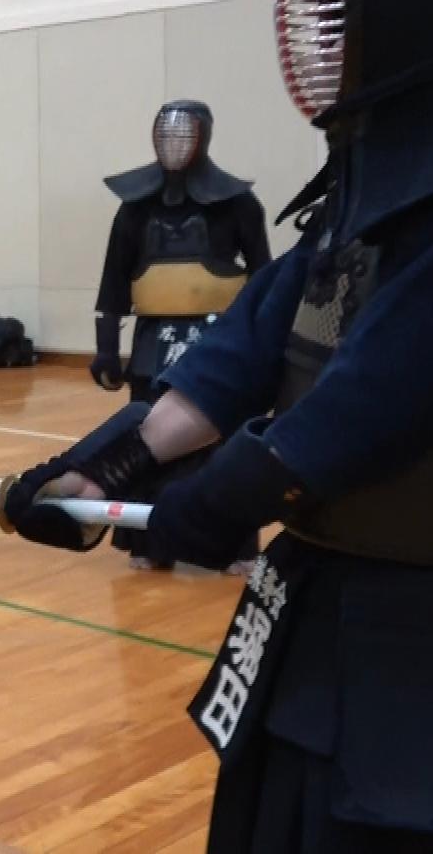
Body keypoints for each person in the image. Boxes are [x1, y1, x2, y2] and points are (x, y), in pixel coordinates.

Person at [2, 0, 433, 851]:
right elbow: (248, 346)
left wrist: (215, 501)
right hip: (321, 583)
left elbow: (376, 398)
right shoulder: (367, 188)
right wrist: (100, 469)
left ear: (421, 25)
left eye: (347, 24)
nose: (328, 50)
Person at [92, 100, 271, 570]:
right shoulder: (134, 211)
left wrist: (266, 345)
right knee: (147, 441)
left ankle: (233, 547)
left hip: (218, 343)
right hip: (153, 342)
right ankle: (150, 544)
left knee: (223, 447)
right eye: (166, 135)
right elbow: (114, 282)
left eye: (184, 134)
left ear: (203, 138)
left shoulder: (239, 206)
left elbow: (265, 279)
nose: (174, 144)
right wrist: (106, 347)